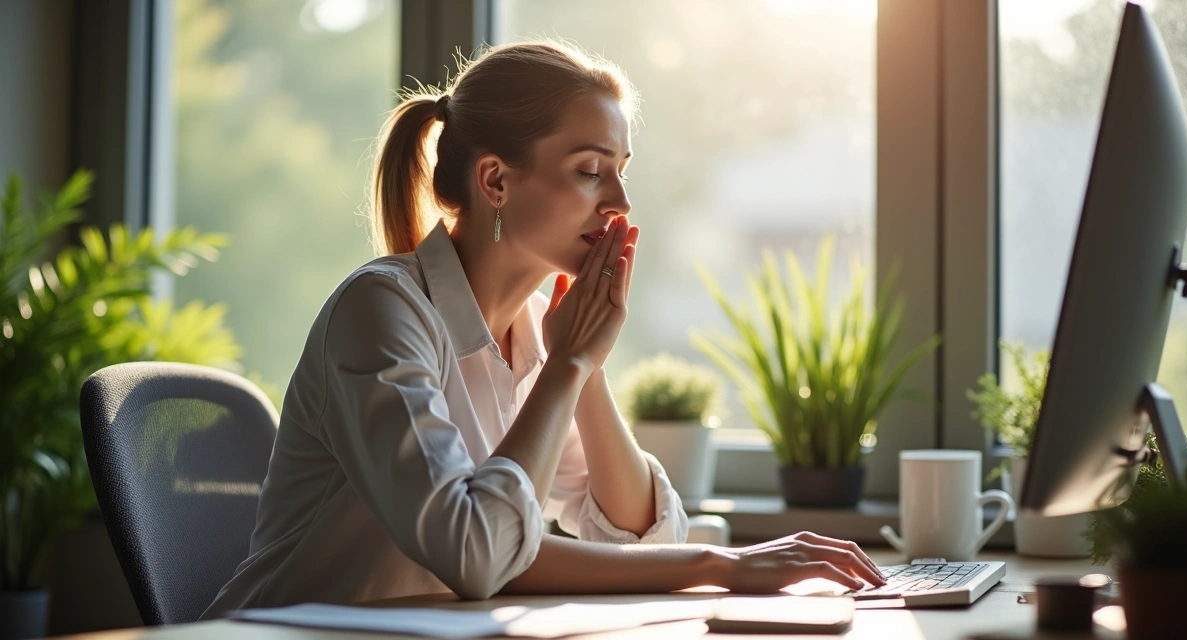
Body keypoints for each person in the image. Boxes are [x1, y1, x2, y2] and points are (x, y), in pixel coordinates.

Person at [201, 40, 885, 619]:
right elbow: (476, 551)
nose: (619, 203)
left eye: (619, 173)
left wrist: (579, 362)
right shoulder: (382, 313)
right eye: (590, 171)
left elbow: (639, 539)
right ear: (495, 181)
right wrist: (720, 564)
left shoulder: (533, 327)